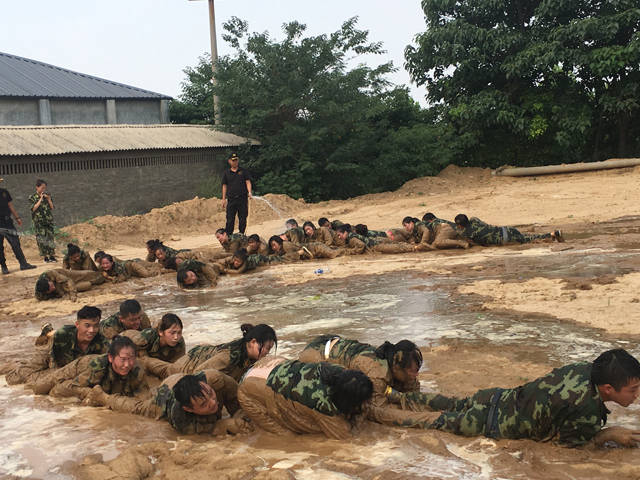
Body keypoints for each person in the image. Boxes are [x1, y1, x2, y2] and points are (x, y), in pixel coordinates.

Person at [386, 349, 640, 447]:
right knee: (423, 422)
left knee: (440, 402)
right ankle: (378, 413)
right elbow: (569, 450)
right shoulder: (588, 413)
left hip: (493, 397)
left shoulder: (586, 368)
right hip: (487, 424)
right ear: (607, 389)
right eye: (633, 389)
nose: (637, 395)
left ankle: (393, 396)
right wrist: (607, 433)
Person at [82, 368, 248, 435]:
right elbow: (199, 431)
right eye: (204, 405)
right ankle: (101, 396)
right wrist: (222, 425)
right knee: (139, 409)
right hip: (167, 390)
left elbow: (238, 400)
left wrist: (240, 417)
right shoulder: (178, 416)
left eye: (211, 395)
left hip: (184, 379)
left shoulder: (217, 380)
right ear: (189, 409)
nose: (213, 403)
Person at [5, 305, 108, 386]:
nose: (92, 330)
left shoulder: (102, 341)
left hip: (70, 370)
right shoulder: (62, 336)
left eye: (95, 326)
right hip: (51, 359)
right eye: (87, 325)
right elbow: (46, 359)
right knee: (19, 377)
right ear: (77, 324)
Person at [143, 323, 277, 382]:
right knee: (166, 371)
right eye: (266, 348)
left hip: (202, 356)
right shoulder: (229, 356)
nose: (267, 352)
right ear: (253, 342)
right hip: (189, 364)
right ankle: (143, 359)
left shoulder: (248, 354)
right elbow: (200, 374)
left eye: (270, 349)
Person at [38, 335, 148, 400]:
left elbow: (144, 397)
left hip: (93, 377)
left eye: (131, 359)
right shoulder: (97, 367)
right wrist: (93, 395)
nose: (127, 364)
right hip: (78, 368)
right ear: (111, 357)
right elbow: (70, 387)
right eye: (123, 359)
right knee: (39, 388)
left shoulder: (137, 369)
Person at [454, 214, 564, 246]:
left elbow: (478, 243)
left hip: (505, 239)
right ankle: (552, 236)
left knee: (529, 239)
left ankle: (553, 234)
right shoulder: (474, 220)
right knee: (526, 236)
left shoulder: (468, 234)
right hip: (506, 229)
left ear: (460, 226)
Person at [0, 178, 36, 274]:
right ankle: (4, 267)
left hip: (8, 222)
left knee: (15, 243)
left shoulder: (4, 192)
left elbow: (10, 205)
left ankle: (23, 264)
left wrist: (17, 218)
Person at [221, 153, 252, 235]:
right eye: (233, 160)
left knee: (242, 219)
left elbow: (248, 182)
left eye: (236, 160)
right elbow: (224, 185)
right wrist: (223, 199)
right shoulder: (226, 173)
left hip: (242, 199)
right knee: (230, 219)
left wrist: (249, 192)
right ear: (229, 161)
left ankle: (242, 235)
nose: (235, 162)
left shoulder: (243, 171)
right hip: (231, 199)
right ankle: (229, 236)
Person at [402, 216, 470, 251]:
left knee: (437, 243)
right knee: (435, 245)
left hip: (444, 228)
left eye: (406, 225)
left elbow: (426, 231)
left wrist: (422, 243)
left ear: (411, 223)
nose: (405, 228)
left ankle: (462, 243)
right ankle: (457, 244)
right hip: (443, 231)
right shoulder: (414, 231)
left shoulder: (418, 224)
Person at [29, 179, 56, 262]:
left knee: (50, 238)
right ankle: (45, 257)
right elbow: (33, 209)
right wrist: (40, 199)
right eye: (42, 188)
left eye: (45, 188)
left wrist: (48, 199)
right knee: (41, 239)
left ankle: (52, 256)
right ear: (37, 187)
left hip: (48, 221)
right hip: (39, 222)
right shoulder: (32, 197)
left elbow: (52, 208)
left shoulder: (48, 196)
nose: (43, 190)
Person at [35, 269, 105, 301]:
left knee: (86, 274)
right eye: (51, 288)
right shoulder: (40, 294)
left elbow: (68, 280)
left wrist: (73, 294)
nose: (53, 287)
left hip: (66, 275)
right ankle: (91, 282)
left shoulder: (50, 274)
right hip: (61, 286)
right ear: (47, 292)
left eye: (52, 285)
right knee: (87, 285)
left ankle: (104, 276)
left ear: (48, 281)